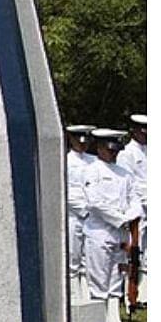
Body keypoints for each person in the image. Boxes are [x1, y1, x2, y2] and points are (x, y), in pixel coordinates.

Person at [82, 128, 144, 322]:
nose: (113, 153)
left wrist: (131, 217)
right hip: (100, 230)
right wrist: (120, 219)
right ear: (99, 148)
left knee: (117, 274)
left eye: (115, 150)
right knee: (99, 275)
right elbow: (95, 202)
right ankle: (97, 321)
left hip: (121, 232)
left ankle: (114, 319)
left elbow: (134, 199)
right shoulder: (92, 170)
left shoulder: (124, 173)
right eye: (109, 150)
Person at [116, 114, 147, 307]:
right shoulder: (127, 154)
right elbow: (130, 183)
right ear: (135, 131)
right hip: (138, 207)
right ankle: (128, 292)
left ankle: (145, 293)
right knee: (134, 250)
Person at [64, 124, 96, 302]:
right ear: (71, 139)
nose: (82, 145)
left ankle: (88, 295)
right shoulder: (66, 161)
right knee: (73, 255)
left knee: (89, 258)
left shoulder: (93, 161)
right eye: (79, 141)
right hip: (74, 215)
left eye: (85, 141)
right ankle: (74, 296)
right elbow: (65, 191)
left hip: (94, 216)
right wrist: (83, 210)